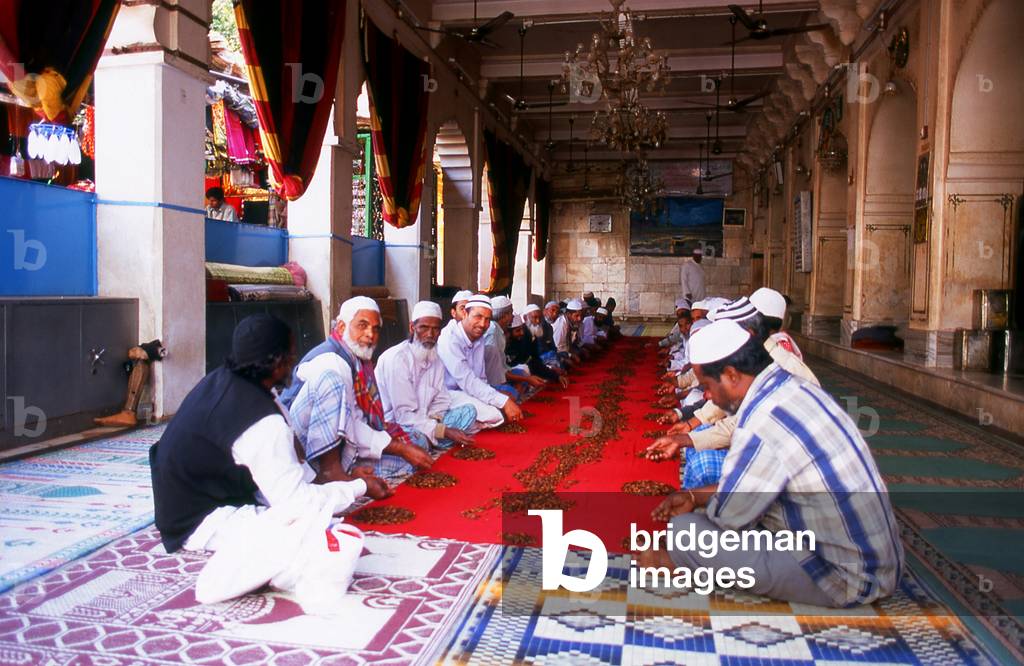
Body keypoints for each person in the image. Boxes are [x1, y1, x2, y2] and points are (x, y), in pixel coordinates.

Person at [641, 319, 904, 608]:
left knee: (686, 532)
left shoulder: (764, 418)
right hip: (876, 562)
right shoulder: (789, 386)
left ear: (730, 375)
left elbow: (729, 517)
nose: (706, 396)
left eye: (706, 386)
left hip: (846, 578)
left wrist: (679, 540)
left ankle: (673, 565)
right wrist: (692, 495)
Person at [150, 314, 390, 554]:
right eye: (291, 355)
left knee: (315, 510)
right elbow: (297, 505)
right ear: (277, 362)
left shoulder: (229, 378)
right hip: (200, 521)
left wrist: (339, 483)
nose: (294, 362)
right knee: (311, 533)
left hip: (200, 496)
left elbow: (289, 440)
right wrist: (359, 487)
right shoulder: (261, 423)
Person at [280, 297, 434, 484]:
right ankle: (334, 476)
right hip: (308, 449)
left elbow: (356, 417)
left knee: (417, 442)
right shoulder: (331, 360)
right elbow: (350, 423)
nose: (370, 334)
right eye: (362, 325)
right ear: (342, 327)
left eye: (375, 328)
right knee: (407, 459)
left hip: (347, 438)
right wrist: (400, 448)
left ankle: (352, 471)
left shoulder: (357, 358)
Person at [375, 300, 480, 450]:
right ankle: (429, 443)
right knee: (420, 441)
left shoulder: (435, 358)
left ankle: (431, 441)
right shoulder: (397, 359)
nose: (430, 334)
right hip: (398, 425)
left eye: (436, 329)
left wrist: (434, 420)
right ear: (412, 327)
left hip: (428, 420)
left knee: (469, 411)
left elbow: (442, 398)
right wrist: (442, 430)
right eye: (424, 328)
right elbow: (403, 415)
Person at [437, 294, 523, 426]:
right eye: (478, 317)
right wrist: (502, 401)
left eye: (488, 319)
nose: (483, 324)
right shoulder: (449, 338)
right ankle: (443, 424)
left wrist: (497, 398)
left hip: (468, 390)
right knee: (495, 415)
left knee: (500, 406)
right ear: (465, 313)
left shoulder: (478, 337)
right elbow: (467, 380)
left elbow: (481, 378)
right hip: (447, 394)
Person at [506, 314, 567, 387]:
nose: (522, 333)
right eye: (518, 330)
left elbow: (535, 361)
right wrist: (527, 378)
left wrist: (556, 376)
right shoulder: (503, 345)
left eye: (522, 329)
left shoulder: (526, 338)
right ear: (508, 333)